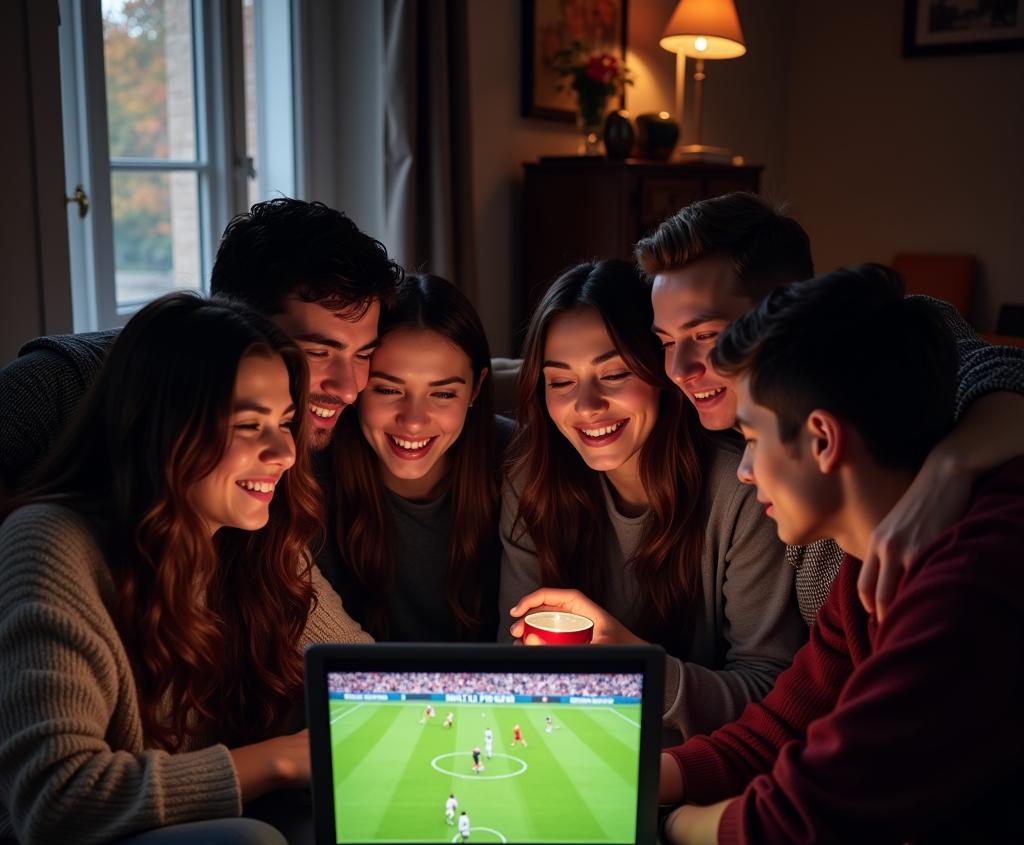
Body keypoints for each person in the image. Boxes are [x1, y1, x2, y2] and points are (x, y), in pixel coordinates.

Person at [606, 265, 1024, 845]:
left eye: (754, 436)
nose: (743, 467)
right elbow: (780, 729)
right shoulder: (867, 563)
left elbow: (787, 830)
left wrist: (668, 823)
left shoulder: (975, 582)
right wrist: (637, 778)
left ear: (823, 439)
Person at [0, 294, 371, 845]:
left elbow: (358, 684)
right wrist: (282, 759)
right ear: (167, 432)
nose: (284, 453)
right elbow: (54, 804)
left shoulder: (259, 538)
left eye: (286, 423)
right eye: (248, 428)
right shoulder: (52, 544)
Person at [635, 191, 1024, 625]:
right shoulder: (686, 419)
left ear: (783, 308)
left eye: (706, 335)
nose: (678, 369)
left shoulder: (882, 347)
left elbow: (1008, 372)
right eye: (666, 341)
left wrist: (950, 468)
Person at [501, 259, 805, 741]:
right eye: (560, 381)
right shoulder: (532, 480)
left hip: (701, 765)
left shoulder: (744, 486)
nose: (586, 405)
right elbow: (513, 670)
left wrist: (634, 668)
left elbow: (770, 689)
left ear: (660, 371)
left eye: (615, 373)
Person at [0, 197, 404, 497]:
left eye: (363, 354)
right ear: (233, 320)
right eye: (317, 352)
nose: (348, 388)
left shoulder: (340, 435)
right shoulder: (58, 384)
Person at [318, 273, 511, 641]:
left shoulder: (521, 462)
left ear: (476, 389)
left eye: (442, 395)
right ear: (357, 385)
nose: (413, 421)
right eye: (389, 389)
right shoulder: (311, 471)